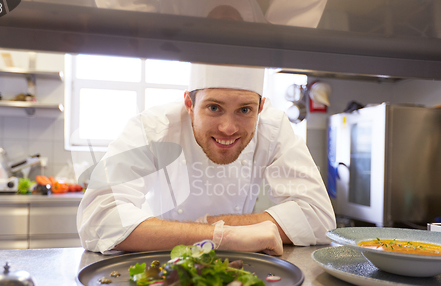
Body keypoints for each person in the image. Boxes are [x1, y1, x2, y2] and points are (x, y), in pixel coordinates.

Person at [77, 63, 336, 256]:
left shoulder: (273, 127)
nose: (228, 128)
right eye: (214, 108)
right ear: (189, 102)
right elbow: (98, 217)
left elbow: (319, 217)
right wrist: (222, 236)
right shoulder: (153, 127)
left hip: (236, 266)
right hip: (164, 265)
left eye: (245, 110)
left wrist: (213, 231)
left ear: (261, 106)